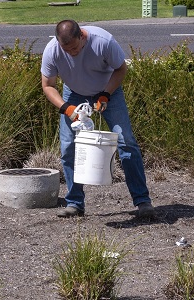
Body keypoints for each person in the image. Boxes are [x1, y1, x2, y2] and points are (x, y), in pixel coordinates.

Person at [41, 19, 155, 218]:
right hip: (73, 94)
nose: (71, 53)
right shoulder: (52, 50)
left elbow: (121, 69)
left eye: (75, 48)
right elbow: (48, 85)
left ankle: (142, 201)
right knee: (69, 147)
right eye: (66, 50)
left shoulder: (103, 41)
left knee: (125, 141)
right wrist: (66, 108)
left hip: (108, 91)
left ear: (82, 36)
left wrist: (106, 95)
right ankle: (74, 203)